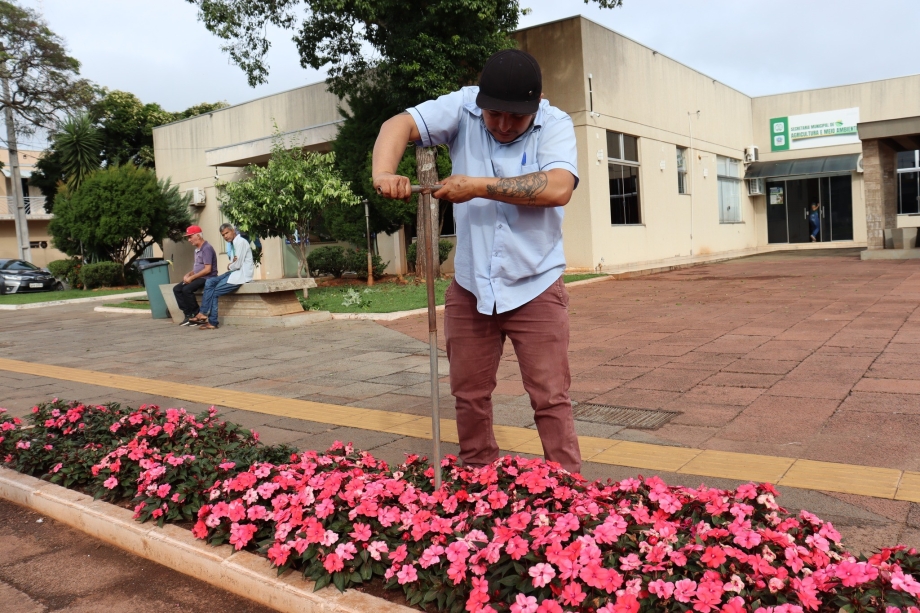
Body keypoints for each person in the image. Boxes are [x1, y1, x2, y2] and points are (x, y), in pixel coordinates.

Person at [372, 49, 582, 474]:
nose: (503, 125)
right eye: (493, 115)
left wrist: (478, 186)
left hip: (534, 283)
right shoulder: (462, 107)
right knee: (468, 394)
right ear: (480, 101)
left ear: (537, 103)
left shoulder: (555, 123)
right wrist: (383, 172)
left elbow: (559, 188)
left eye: (515, 117)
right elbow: (398, 124)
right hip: (470, 285)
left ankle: (569, 493)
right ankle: (478, 479)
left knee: (550, 396)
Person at [188, 223, 254, 330]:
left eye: (227, 233)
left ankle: (212, 321)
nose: (225, 236)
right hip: (234, 273)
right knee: (209, 282)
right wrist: (233, 264)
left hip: (241, 275)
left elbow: (237, 264)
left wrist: (230, 265)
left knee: (214, 292)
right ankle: (203, 313)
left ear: (233, 230)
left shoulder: (240, 242)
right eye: (223, 235)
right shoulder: (233, 243)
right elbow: (235, 263)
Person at [173, 225, 218, 326]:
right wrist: (188, 274)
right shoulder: (197, 250)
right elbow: (198, 268)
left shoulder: (207, 248)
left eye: (190, 237)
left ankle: (197, 314)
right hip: (199, 276)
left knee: (186, 289)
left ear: (198, 236)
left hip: (207, 277)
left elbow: (207, 269)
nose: (189, 240)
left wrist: (192, 278)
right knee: (177, 289)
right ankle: (188, 315)